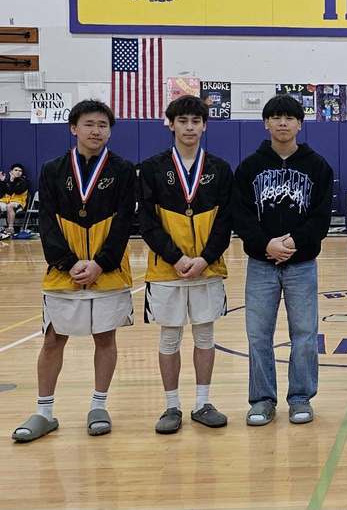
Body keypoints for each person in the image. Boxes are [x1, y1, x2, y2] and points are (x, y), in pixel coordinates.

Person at [11, 100, 135, 442]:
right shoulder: (53, 169)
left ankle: (99, 405)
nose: (96, 131)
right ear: (73, 128)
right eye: (89, 124)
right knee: (52, 339)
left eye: (103, 125)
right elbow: (46, 223)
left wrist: (100, 263)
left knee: (105, 337)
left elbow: (125, 223)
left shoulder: (123, 169)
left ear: (109, 131)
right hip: (63, 270)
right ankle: (44, 412)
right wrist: (67, 262)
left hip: (107, 269)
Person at [234, 95, 334, 427]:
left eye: (289, 118)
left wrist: (293, 241)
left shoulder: (317, 165)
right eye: (275, 117)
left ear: (299, 124)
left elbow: (321, 218)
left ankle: (300, 397)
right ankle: (262, 400)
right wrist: (266, 244)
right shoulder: (250, 166)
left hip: (301, 263)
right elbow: (241, 215)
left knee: (304, 333)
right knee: (258, 334)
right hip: (261, 263)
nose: (282, 123)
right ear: (265, 123)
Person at [138, 95, 233, 434]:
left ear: (204, 126)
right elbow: (146, 222)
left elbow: (226, 221)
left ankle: (202, 403)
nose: (190, 127)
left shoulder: (220, 168)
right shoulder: (151, 168)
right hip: (167, 269)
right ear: (171, 124)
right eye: (183, 121)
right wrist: (176, 257)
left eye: (196, 121)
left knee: (206, 335)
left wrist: (205, 258)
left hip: (208, 268)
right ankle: (171, 406)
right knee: (170, 337)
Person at [0, 162, 29, 238]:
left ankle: (10, 228)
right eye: (16, 170)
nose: (18, 172)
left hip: (19, 202)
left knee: (10, 206)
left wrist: (12, 181)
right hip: (6, 201)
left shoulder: (24, 182)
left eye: (20, 171)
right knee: (7, 205)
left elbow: (17, 191)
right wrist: (2, 182)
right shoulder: (7, 181)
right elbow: (3, 192)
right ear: (11, 172)